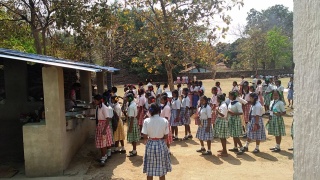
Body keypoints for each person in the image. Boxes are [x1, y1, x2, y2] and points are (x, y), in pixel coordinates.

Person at [142, 103, 172, 180]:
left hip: (150, 144)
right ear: (159, 111)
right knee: (161, 169)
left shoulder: (146, 121)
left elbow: (144, 136)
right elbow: (166, 136)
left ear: (150, 111)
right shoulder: (164, 121)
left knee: (150, 169)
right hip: (161, 144)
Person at [93, 94, 113, 165]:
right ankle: (103, 156)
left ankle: (104, 157)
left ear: (100, 100)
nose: (94, 101)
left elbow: (107, 119)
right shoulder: (98, 107)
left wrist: (104, 130)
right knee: (101, 143)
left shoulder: (104, 108)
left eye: (96, 100)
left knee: (103, 143)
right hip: (99, 126)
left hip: (103, 126)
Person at [227, 91, 246, 155]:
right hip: (231, 119)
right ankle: (235, 147)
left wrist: (233, 113)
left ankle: (241, 147)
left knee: (235, 135)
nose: (228, 96)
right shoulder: (231, 102)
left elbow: (241, 112)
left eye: (229, 95)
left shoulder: (237, 103)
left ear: (232, 96)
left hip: (236, 120)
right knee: (233, 134)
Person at [126, 93, 141, 157]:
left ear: (129, 98)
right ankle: (134, 150)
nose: (126, 99)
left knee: (133, 137)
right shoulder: (133, 103)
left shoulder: (131, 106)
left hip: (132, 121)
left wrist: (130, 127)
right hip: (133, 121)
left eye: (127, 98)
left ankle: (134, 151)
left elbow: (131, 117)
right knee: (133, 137)